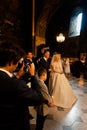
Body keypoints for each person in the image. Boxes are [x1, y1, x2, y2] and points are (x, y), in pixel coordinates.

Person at [0, 40, 46, 130]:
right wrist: (33, 76)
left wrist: (17, 76)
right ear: (10, 62)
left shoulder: (12, 82)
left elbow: (7, 86)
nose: (18, 64)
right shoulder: (17, 85)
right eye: (17, 62)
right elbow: (39, 98)